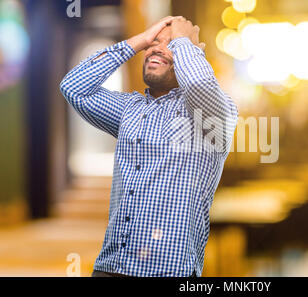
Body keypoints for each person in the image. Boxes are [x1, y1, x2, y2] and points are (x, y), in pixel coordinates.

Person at [60, 16, 238, 277]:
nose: (155, 48)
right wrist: (138, 41)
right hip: (110, 268)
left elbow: (199, 85)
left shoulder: (210, 116)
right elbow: (74, 88)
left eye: (171, 44)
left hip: (167, 272)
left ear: (191, 56)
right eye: (153, 42)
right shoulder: (128, 109)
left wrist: (184, 43)